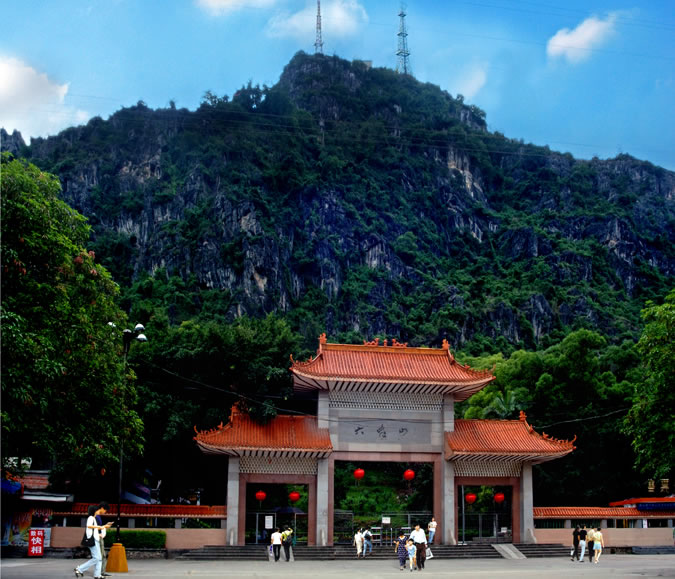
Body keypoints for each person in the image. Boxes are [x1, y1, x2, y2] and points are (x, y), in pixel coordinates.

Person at [74, 504, 112, 579]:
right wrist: (102, 526)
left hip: (96, 539)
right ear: (94, 511)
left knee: (99, 558)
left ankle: (97, 575)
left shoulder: (94, 519)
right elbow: (89, 526)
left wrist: (102, 528)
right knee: (97, 558)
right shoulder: (91, 518)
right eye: (97, 510)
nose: (98, 511)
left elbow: (95, 529)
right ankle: (80, 569)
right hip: (92, 540)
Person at [95, 503, 111, 577]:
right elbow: (95, 527)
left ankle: (101, 571)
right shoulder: (96, 517)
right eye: (105, 510)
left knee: (101, 556)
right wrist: (104, 527)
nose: (105, 512)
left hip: (99, 536)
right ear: (102, 508)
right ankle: (100, 572)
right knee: (101, 556)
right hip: (98, 537)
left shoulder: (98, 516)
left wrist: (104, 526)